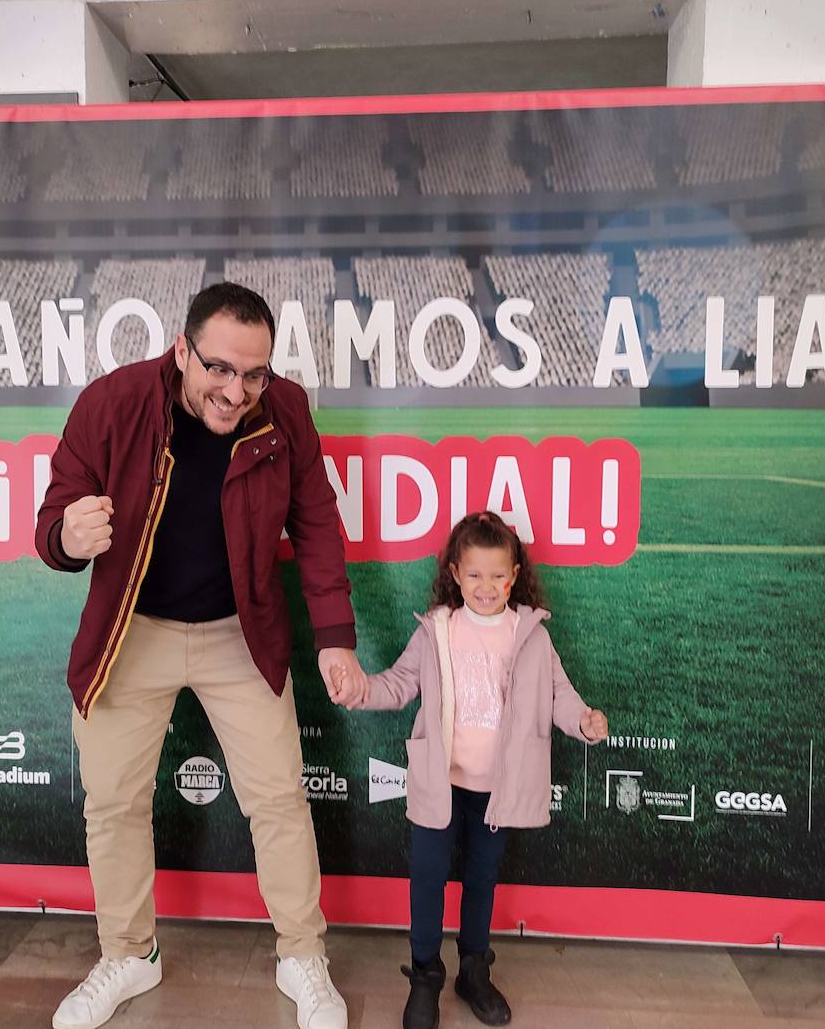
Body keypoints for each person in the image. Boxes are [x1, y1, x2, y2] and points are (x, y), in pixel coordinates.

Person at [35, 282, 365, 1029]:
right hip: (132, 629)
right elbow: (55, 514)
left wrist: (336, 638)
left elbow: (316, 525)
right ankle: (129, 952)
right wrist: (64, 537)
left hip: (237, 630)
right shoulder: (113, 402)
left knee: (279, 797)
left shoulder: (284, 413)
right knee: (113, 801)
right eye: (218, 368)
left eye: (254, 374)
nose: (236, 390)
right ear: (182, 350)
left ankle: (301, 955)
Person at [331, 511, 608, 1029]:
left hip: (496, 792)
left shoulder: (531, 635)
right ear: (456, 574)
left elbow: (559, 695)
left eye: (498, 575)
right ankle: (425, 977)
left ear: (516, 573)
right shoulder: (437, 631)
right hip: (441, 785)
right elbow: (398, 685)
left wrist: (583, 721)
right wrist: (360, 690)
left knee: (481, 879)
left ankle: (474, 971)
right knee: (428, 877)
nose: (487, 586)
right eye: (475, 574)